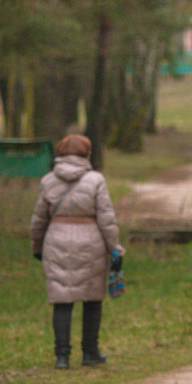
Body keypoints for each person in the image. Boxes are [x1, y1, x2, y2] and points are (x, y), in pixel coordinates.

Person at [30, 134, 125, 369]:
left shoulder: (48, 180)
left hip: (57, 242)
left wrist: (37, 247)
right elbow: (106, 219)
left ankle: (62, 357)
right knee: (92, 299)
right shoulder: (96, 180)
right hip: (90, 244)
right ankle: (90, 352)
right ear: (87, 154)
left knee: (62, 301)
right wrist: (115, 248)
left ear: (60, 154)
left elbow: (38, 220)